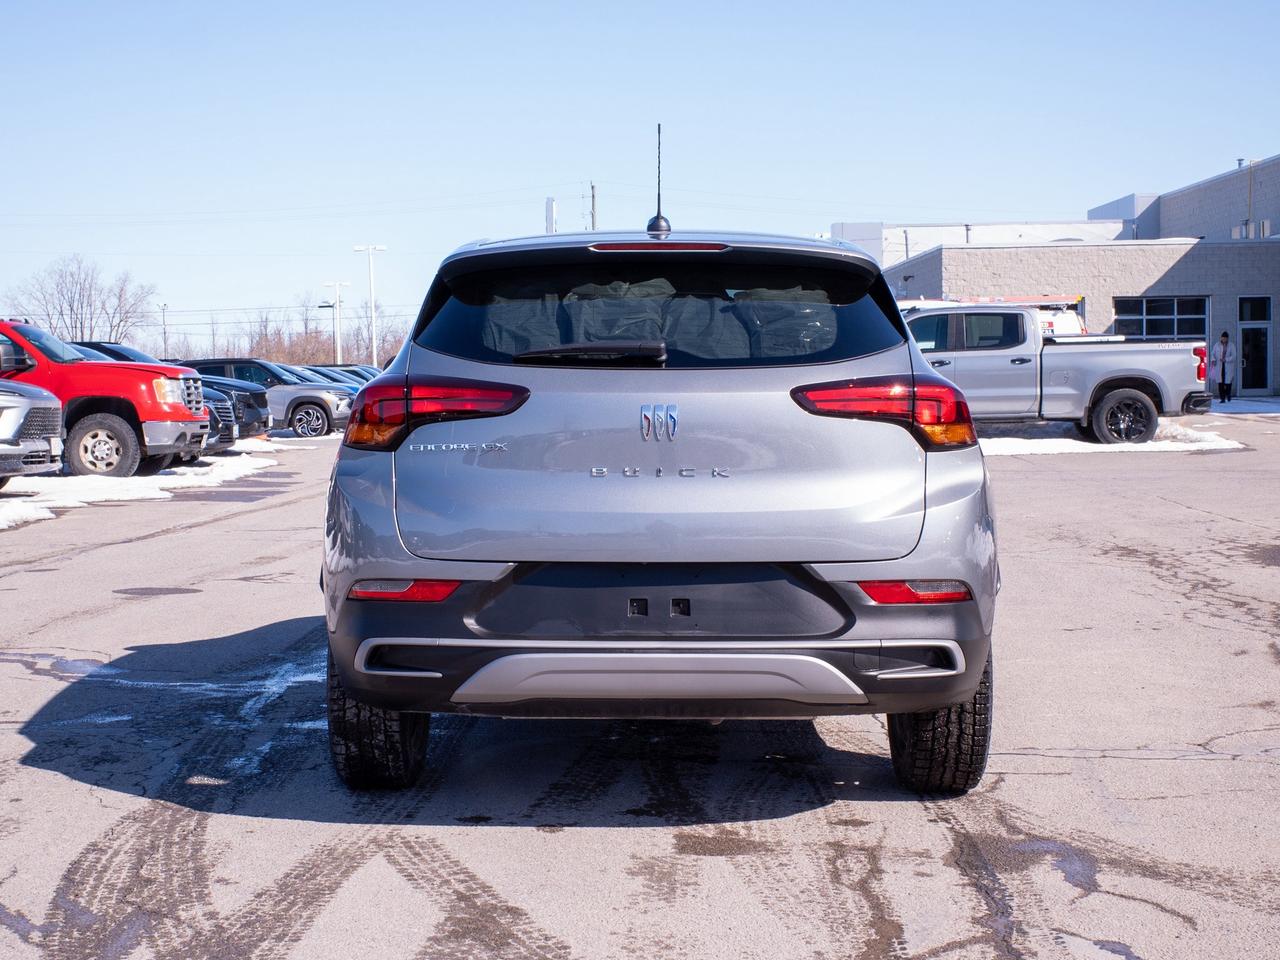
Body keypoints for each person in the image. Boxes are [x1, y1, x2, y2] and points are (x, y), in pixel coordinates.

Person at [1210, 331, 1236, 402]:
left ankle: (1228, 394)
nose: (1223, 339)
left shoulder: (1231, 345)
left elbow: (1234, 356)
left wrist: (1226, 359)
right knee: (1220, 383)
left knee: (1228, 382)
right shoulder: (1217, 345)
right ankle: (1222, 398)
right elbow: (1212, 354)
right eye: (1222, 338)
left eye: (1225, 338)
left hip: (1228, 365)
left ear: (1227, 339)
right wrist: (1213, 359)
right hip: (1219, 366)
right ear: (1221, 338)